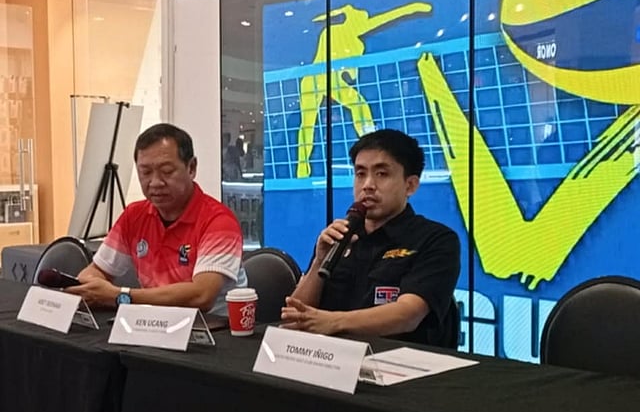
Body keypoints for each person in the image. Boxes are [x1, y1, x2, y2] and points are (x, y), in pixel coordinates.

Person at [281, 129, 460, 346]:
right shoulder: (340, 236)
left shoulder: (436, 240)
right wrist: (319, 261)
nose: (367, 185)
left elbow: (408, 314)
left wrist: (333, 322)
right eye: (360, 174)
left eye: (381, 174)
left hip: (397, 359)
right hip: (329, 357)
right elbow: (294, 316)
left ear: (410, 185)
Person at [66, 123, 247, 315]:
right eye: (145, 172)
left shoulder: (219, 221)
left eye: (167, 171)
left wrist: (120, 296)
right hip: (152, 324)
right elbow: (96, 271)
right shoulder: (134, 216)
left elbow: (202, 295)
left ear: (191, 168)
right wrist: (90, 285)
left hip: (213, 328)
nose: (155, 182)